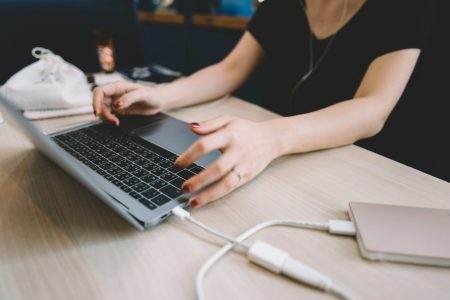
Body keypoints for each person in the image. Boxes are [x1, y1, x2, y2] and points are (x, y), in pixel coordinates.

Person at [93, 0, 447, 209]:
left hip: (371, 179)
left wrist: (270, 138)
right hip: (292, 167)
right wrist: (161, 95)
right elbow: (229, 69)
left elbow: (373, 108)